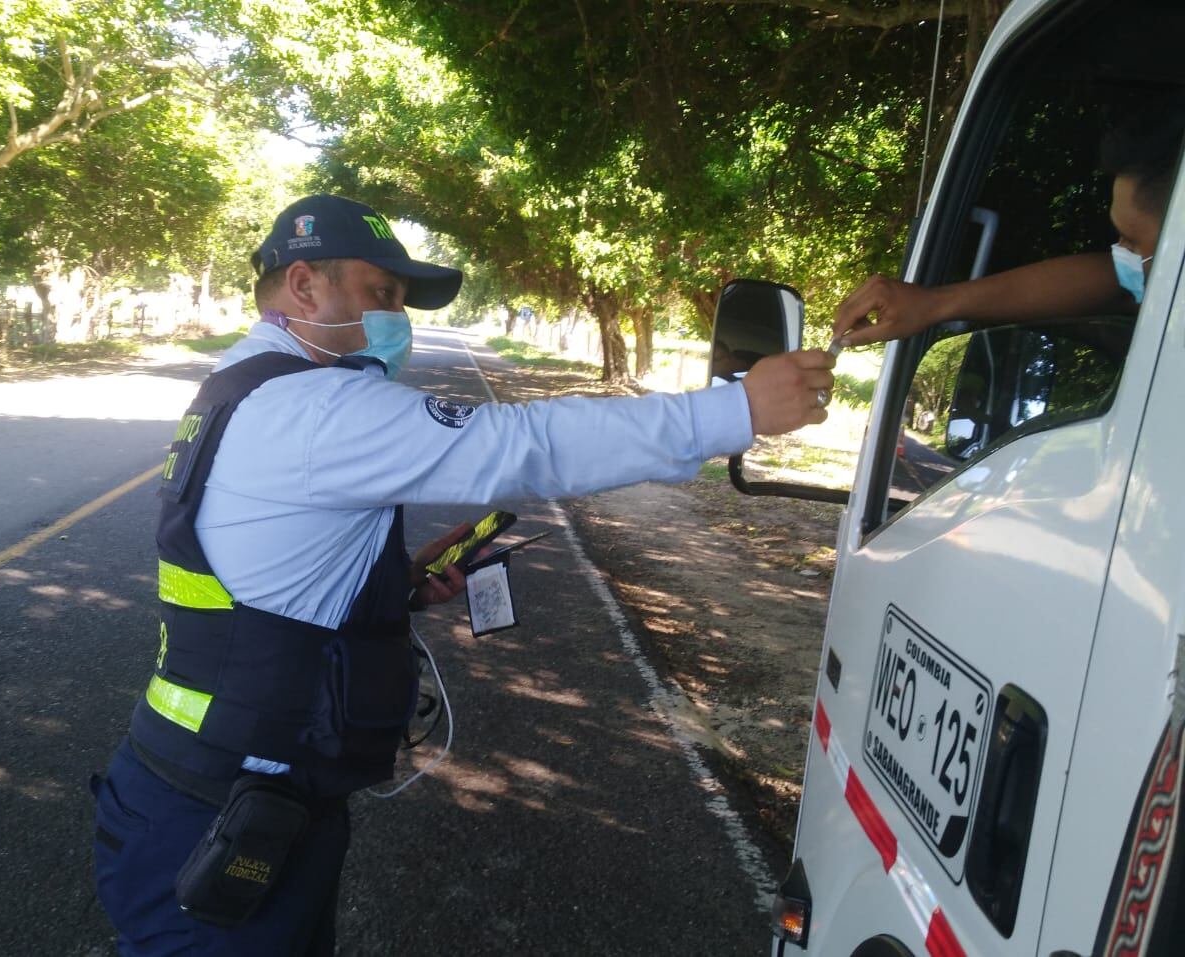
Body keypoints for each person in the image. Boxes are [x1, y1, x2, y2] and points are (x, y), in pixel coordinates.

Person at [91, 193, 836, 955]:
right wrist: (735, 410)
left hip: (216, 786)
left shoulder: (244, 380)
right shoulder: (314, 404)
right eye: (381, 293)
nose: (397, 318)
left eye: (402, 301)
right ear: (306, 285)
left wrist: (393, 585)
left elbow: (266, 566)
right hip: (221, 811)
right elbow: (523, 445)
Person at [832, 105, 1183, 348]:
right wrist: (934, 304)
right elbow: (1113, 281)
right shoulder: (1148, 279)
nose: (1120, 255)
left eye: (1133, 242)